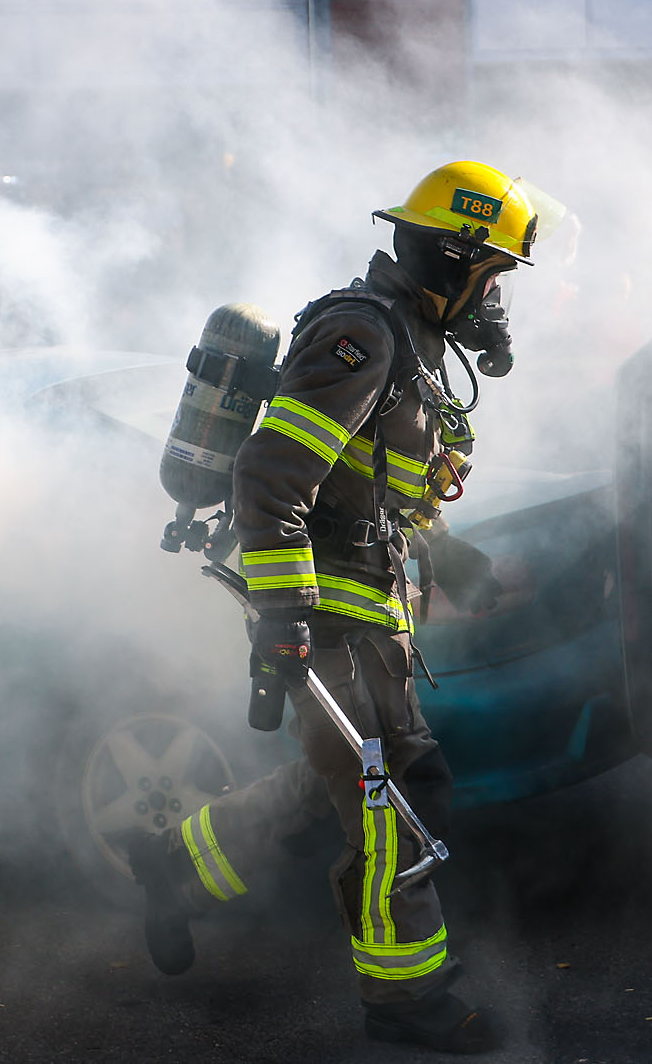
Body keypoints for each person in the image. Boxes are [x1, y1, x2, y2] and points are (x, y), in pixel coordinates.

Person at [130, 160, 560, 1054]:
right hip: (326, 614)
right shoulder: (362, 337)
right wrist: (283, 619)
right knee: (393, 798)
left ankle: (172, 865)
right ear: (451, 259)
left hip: (368, 617)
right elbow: (273, 474)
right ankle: (405, 1001)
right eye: (491, 275)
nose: (495, 298)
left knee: (345, 779)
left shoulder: (410, 345)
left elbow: (379, 494)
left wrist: (453, 557)